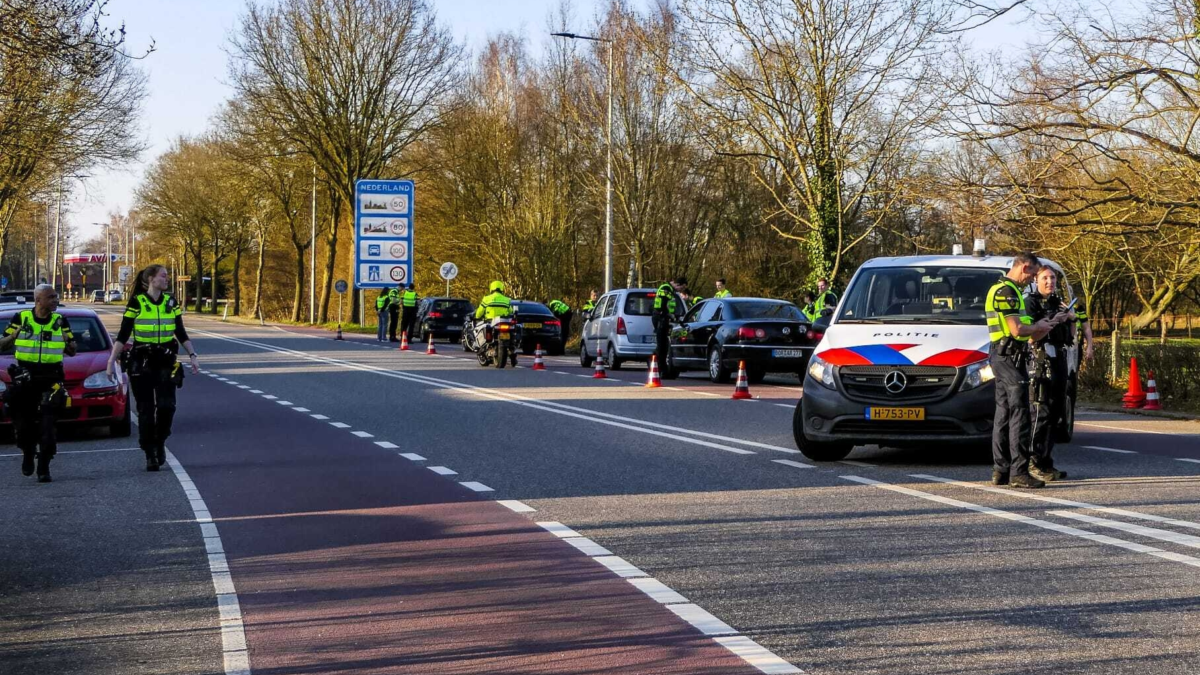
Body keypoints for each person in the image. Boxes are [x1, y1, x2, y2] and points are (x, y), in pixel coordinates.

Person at [106, 265, 200, 472]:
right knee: (145, 410)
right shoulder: (137, 302)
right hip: (142, 363)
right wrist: (111, 361)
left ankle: (160, 440)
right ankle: (150, 452)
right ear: (151, 279)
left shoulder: (171, 302)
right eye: (163, 276)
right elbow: (123, 334)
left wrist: (192, 355)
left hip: (166, 361)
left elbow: (181, 332)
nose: (167, 279)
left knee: (167, 407)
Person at [986, 253, 1059, 489]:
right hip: (1006, 356)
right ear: (1025, 267)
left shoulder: (1012, 291)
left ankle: (1001, 471)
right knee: (1019, 413)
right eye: (1033, 275)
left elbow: (1027, 332)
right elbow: (1017, 329)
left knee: (1004, 413)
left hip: (1009, 356)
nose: (1032, 281)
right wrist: (1036, 326)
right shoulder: (1005, 291)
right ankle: (1018, 471)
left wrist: (1045, 326)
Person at [0, 285, 77, 482]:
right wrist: (13, 336)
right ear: (38, 300)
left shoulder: (60, 321)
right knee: (23, 425)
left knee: (48, 427)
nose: (55, 300)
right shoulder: (22, 318)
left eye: (56, 296)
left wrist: (70, 343)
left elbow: (72, 351)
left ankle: (44, 465)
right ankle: (27, 452)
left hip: (51, 379)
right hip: (25, 377)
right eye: (50, 297)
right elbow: (3, 344)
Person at [1025, 267, 1074, 482]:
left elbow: (1071, 335)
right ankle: (1033, 461)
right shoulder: (1031, 303)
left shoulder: (1058, 302)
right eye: (1045, 277)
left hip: (1059, 359)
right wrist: (1053, 319)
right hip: (1040, 359)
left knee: (1056, 412)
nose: (1050, 281)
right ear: (1036, 279)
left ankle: (1046, 460)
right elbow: (1030, 335)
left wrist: (1070, 318)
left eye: (1053, 278)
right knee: (1040, 412)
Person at [474, 281, 516, 366]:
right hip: (504, 321)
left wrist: (477, 316)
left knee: (484, 333)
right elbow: (511, 311)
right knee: (512, 334)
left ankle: (487, 348)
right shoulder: (506, 299)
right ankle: (512, 350)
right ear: (502, 288)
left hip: (491, 321)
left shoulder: (487, 299)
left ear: (491, 288)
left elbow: (479, 312)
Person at [652, 279, 683, 370]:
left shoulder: (669, 290)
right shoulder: (666, 288)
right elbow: (664, 305)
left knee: (663, 345)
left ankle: (658, 365)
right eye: (681, 287)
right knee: (662, 345)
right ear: (677, 284)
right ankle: (661, 369)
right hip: (661, 318)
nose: (680, 290)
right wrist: (670, 315)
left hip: (662, 317)